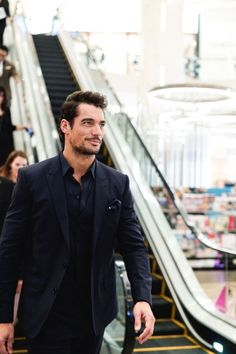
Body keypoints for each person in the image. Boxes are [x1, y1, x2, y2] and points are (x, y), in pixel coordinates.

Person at [0, 90, 155, 354]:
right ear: (65, 126)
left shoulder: (117, 183)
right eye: (88, 123)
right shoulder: (32, 179)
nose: (97, 131)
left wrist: (143, 298)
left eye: (101, 124)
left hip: (94, 316)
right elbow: (9, 250)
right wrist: (4, 317)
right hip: (45, 316)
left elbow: (134, 246)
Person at [0, 86, 28, 165]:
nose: (0, 98)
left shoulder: (7, 110)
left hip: (7, 144)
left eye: (2, 96)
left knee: (7, 165)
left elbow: (10, 127)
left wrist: (24, 127)